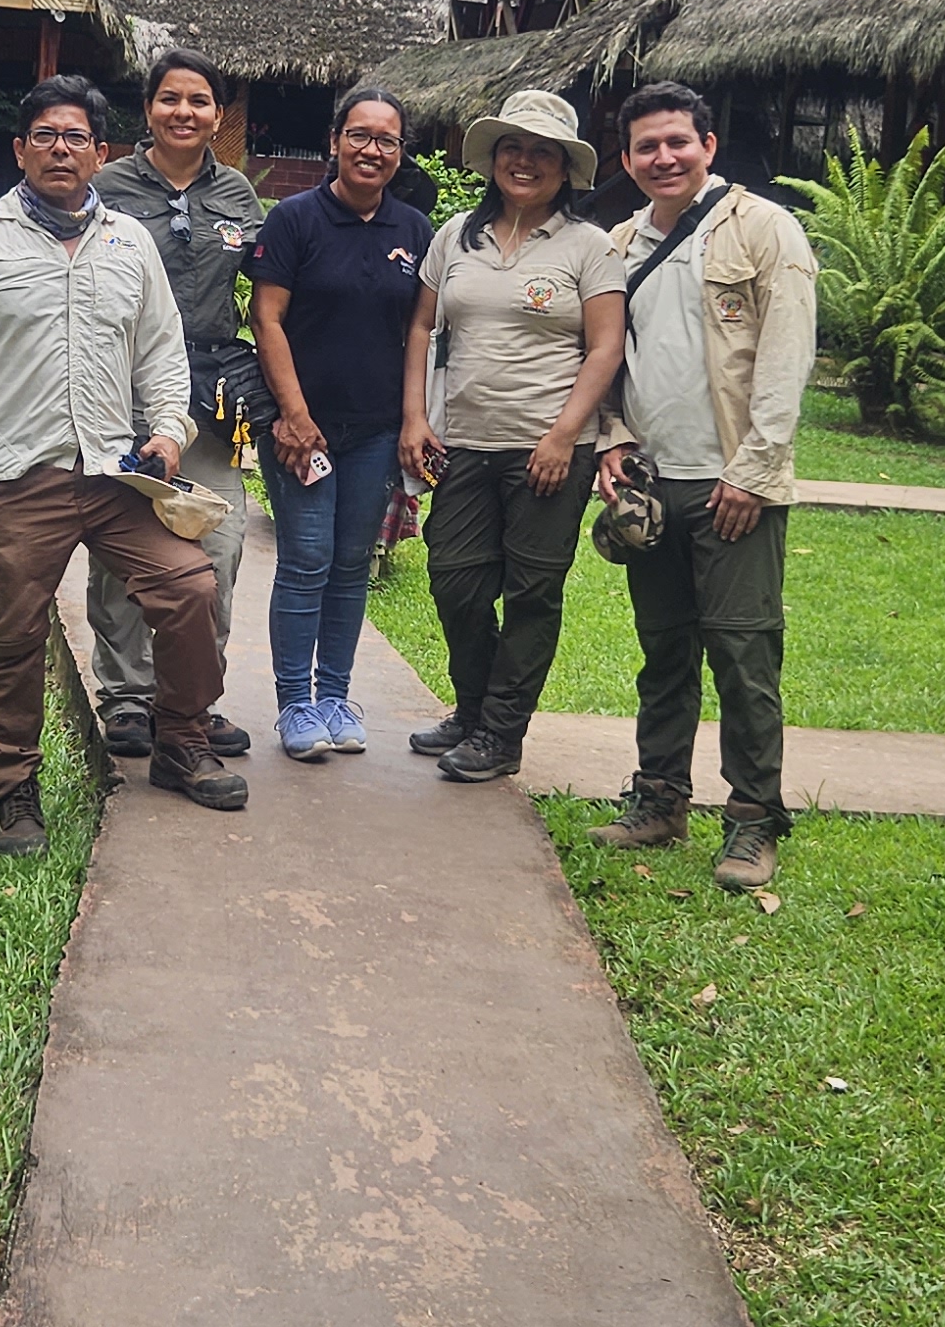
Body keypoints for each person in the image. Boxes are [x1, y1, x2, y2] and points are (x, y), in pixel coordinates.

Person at [0, 74, 248, 856]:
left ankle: (182, 742)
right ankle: (12, 790)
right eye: (44, 136)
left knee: (189, 585)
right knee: (11, 635)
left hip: (113, 472)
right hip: (12, 472)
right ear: (20, 149)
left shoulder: (128, 242)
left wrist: (169, 430)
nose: (59, 150)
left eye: (75, 139)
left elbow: (164, 354)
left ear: (101, 153)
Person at [591, 81, 817, 895]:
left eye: (677, 143)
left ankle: (754, 819)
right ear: (627, 159)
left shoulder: (764, 230)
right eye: (646, 147)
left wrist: (754, 471)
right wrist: (612, 442)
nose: (664, 158)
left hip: (733, 484)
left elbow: (788, 360)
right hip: (653, 484)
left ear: (709, 147)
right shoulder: (617, 243)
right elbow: (607, 361)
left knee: (743, 654)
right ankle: (659, 799)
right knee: (664, 652)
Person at [396, 89, 626, 785]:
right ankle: (473, 710)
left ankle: (500, 732)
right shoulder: (456, 236)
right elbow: (421, 328)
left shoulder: (589, 246)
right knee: (455, 580)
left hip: (550, 452)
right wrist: (414, 415)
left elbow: (605, 347)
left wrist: (562, 436)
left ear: (565, 169)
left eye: (542, 152)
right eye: (514, 148)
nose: (525, 163)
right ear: (494, 158)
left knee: (531, 591)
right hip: (464, 442)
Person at [86, 47, 263, 761]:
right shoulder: (105, 187)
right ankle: (127, 700)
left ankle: (190, 699)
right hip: (124, 395)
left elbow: (267, 294)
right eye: (170, 99)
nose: (183, 112)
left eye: (198, 101)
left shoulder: (240, 198)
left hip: (213, 399)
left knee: (218, 549)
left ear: (218, 115)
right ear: (148, 109)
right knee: (124, 553)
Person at [248, 82, 432, 761]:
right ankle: (295, 704)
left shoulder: (413, 230)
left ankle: (335, 696)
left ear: (399, 152)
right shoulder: (294, 219)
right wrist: (293, 416)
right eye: (359, 135)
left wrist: (412, 420)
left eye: (386, 139)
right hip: (304, 430)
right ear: (335, 142)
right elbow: (266, 318)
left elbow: (419, 328)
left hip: (375, 430)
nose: (372, 149)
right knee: (306, 559)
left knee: (352, 563)